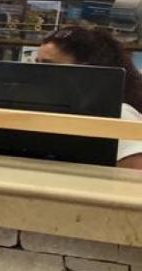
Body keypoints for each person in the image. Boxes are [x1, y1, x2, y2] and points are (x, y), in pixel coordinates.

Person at [35, 26, 142, 170]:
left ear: (86, 70)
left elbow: (135, 177)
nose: (37, 74)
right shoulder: (51, 112)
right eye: (37, 64)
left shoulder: (119, 115)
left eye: (49, 66)